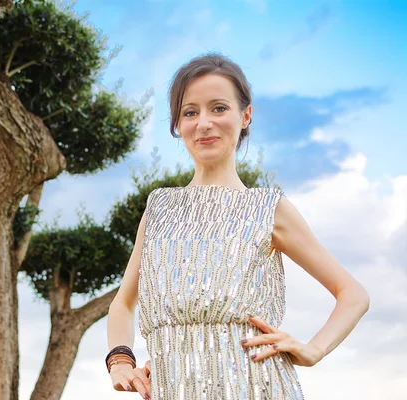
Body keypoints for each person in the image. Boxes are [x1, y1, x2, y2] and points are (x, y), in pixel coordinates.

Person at [105, 52, 370, 399]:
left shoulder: (268, 208)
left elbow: (353, 295)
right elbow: (123, 302)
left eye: (218, 108)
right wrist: (120, 359)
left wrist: (314, 350)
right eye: (190, 112)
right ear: (177, 124)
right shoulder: (159, 207)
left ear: (245, 115)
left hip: (256, 387)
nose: (203, 122)